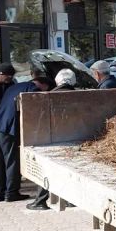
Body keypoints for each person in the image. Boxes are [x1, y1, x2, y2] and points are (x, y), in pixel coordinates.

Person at [0, 76, 52, 202]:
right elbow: (32, 111)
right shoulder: (32, 89)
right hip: (8, 129)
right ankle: (11, 193)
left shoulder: (14, 87)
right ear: (42, 84)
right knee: (12, 162)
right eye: (46, 89)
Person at [27, 70, 76, 210]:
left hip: (52, 139)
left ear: (57, 81)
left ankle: (40, 201)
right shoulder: (80, 94)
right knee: (71, 171)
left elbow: (41, 119)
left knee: (45, 170)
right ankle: (70, 199)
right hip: (74, 138)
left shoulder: (49, 96)